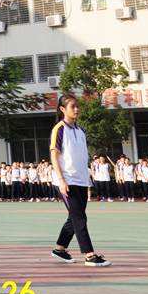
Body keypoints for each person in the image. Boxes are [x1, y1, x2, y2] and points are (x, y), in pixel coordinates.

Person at [50, 95, 110, 267]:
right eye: (72, 107)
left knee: (74, 216)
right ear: (62, 109)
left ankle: (60, 249)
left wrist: (87, 177)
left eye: (77, 106)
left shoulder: (80, 131)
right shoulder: (59, 129)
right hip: (66, 181)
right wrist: (61, 180)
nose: (76, 109)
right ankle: (89, 255)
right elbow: (54, 155)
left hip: (81, 181)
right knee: (79, 217)